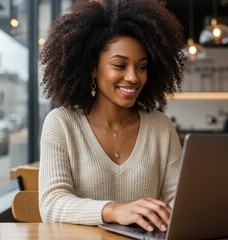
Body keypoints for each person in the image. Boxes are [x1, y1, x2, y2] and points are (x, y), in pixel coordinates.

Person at [38, 0, 186, 233]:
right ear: (93, 68)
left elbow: (179, 204)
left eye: (141, 67)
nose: (133, 78)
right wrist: (115, 210)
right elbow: (52, 205)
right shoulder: (62, 123)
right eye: (119, 65)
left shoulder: (161, 127)